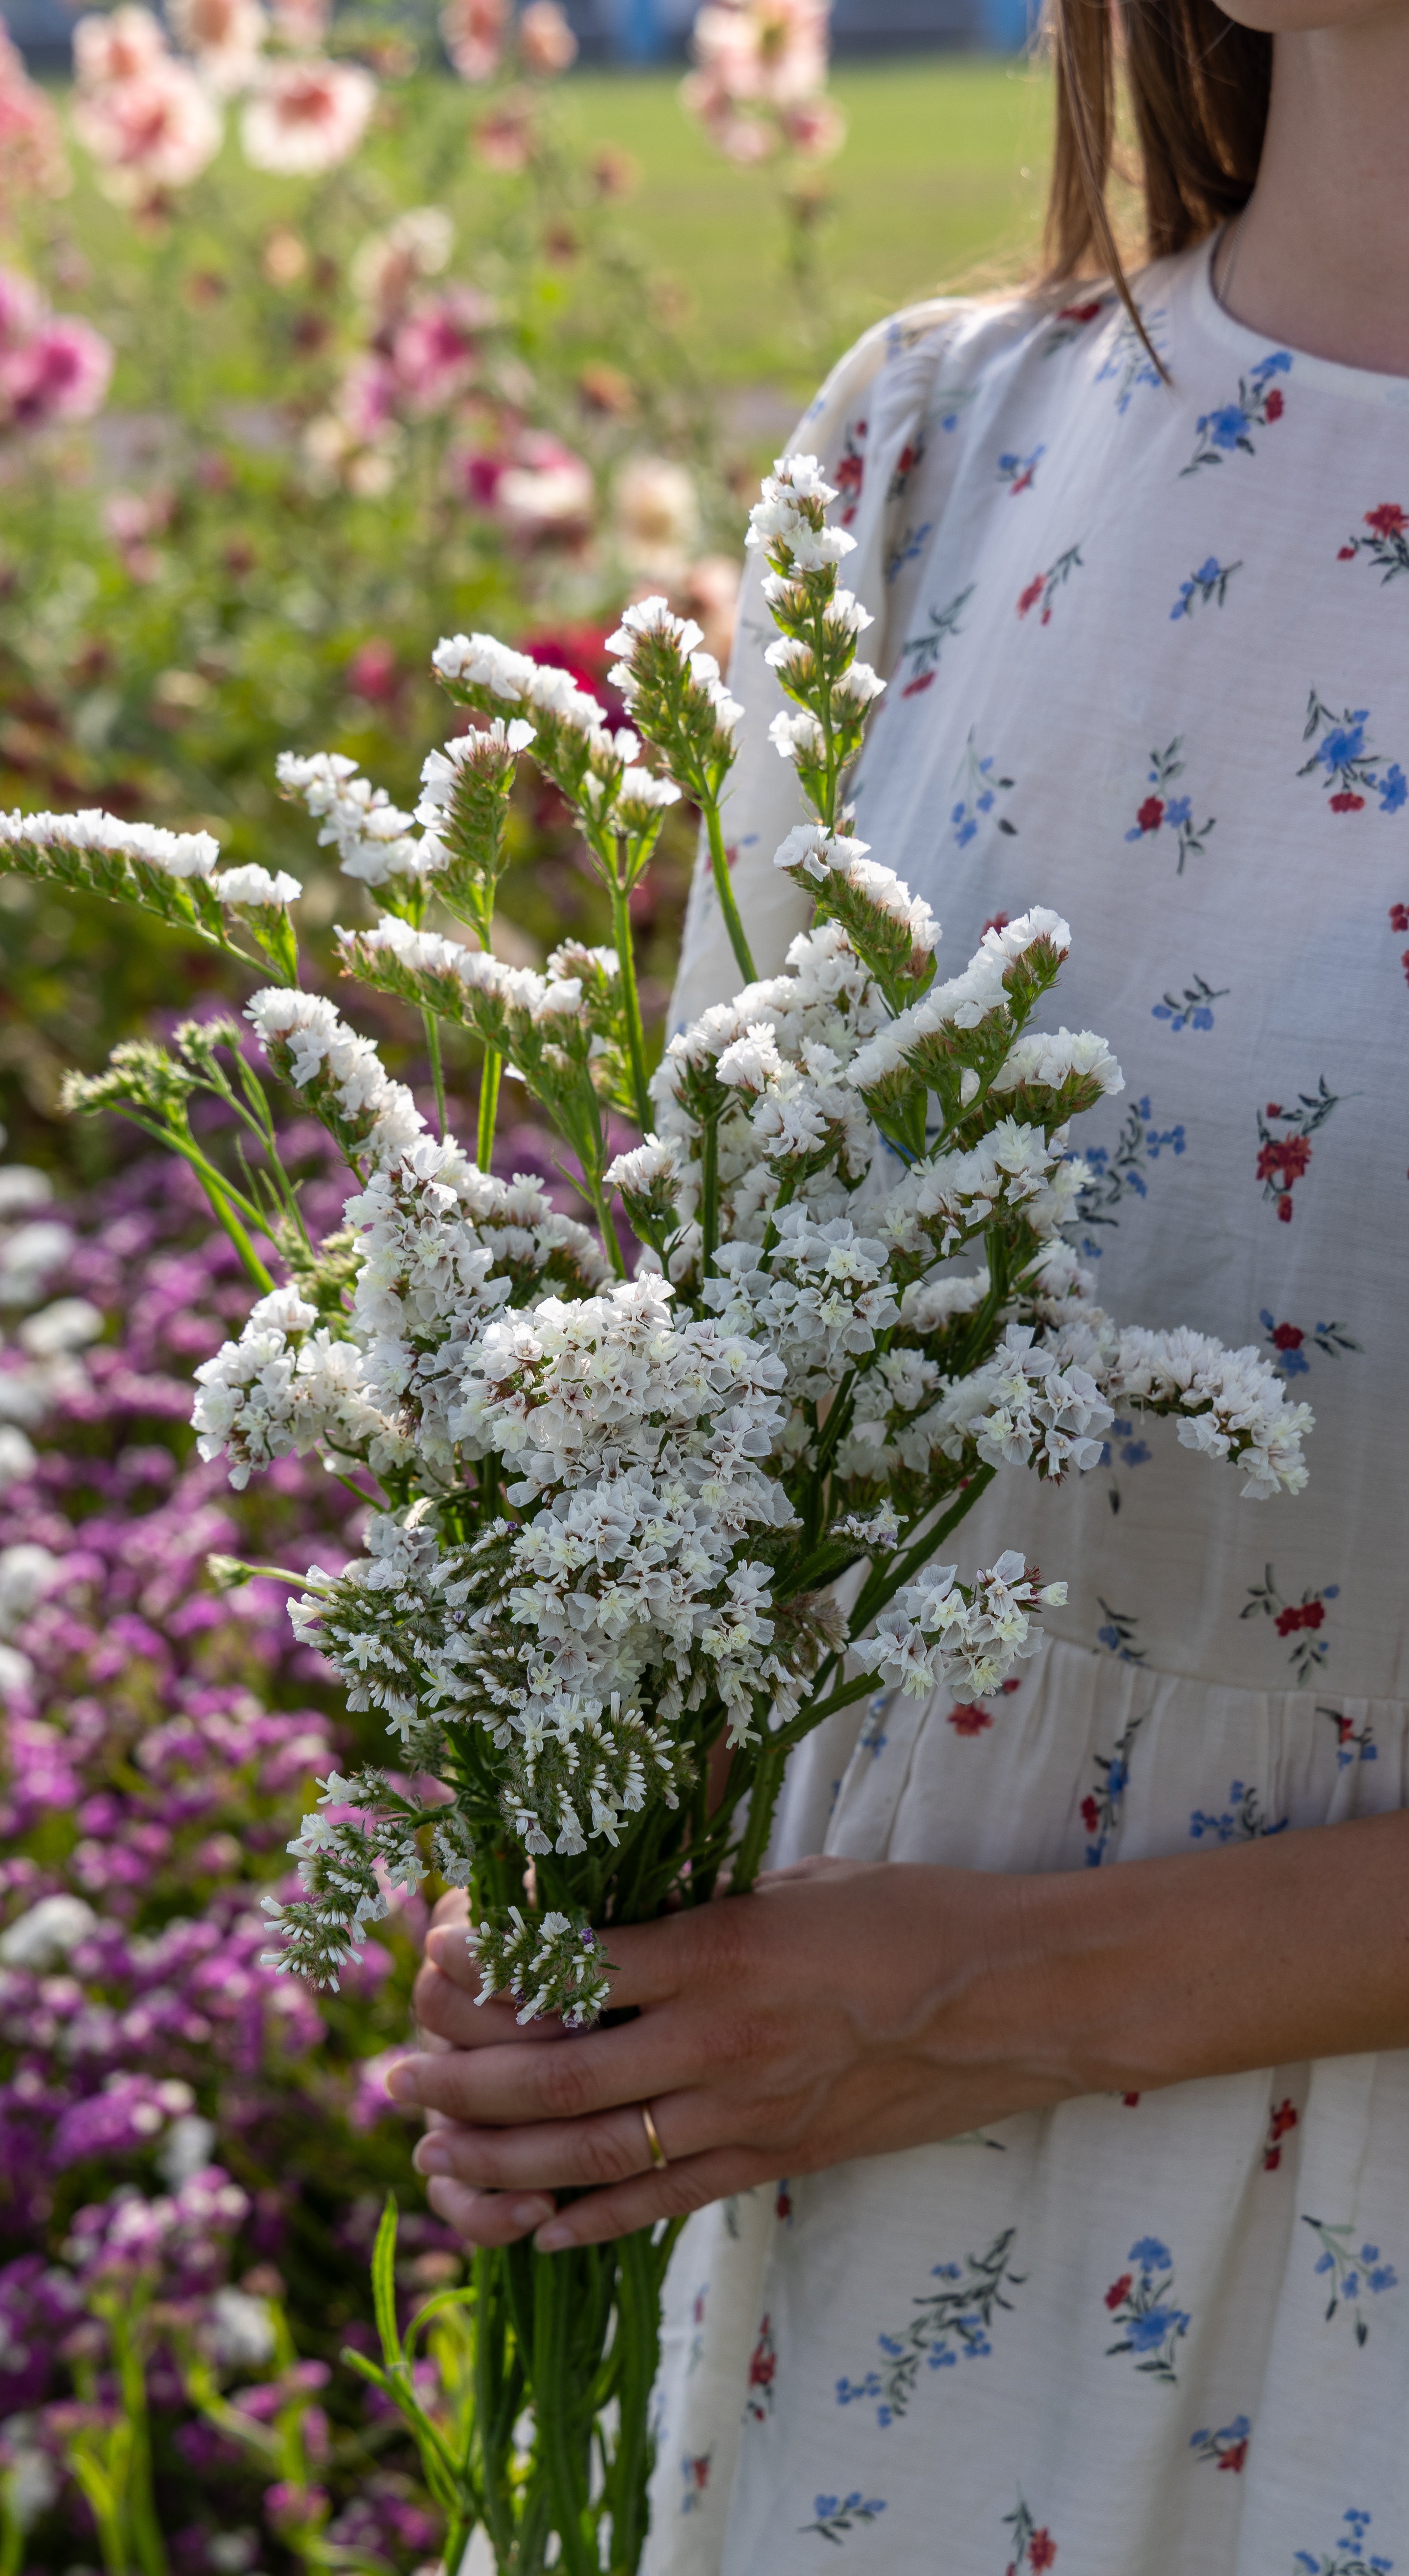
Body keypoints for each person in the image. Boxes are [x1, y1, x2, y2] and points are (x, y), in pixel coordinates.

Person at [386, 0, 1409, 2560]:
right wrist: (600, 1886)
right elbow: (739, 1360)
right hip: (858, 2295)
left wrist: (991, 2001)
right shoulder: (935, 452)